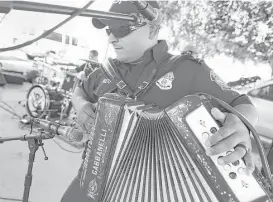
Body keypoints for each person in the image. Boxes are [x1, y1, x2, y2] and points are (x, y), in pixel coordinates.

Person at [61, 1, 258, 201]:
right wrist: (82, 105)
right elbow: (80, 91)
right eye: (108, 30)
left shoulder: (189, 70)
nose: (111, 38)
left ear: (153, 28)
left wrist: (240, 122)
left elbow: (242, 104)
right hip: (95, 178)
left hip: (159, 191)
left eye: (121, 28)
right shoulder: (103, 72)